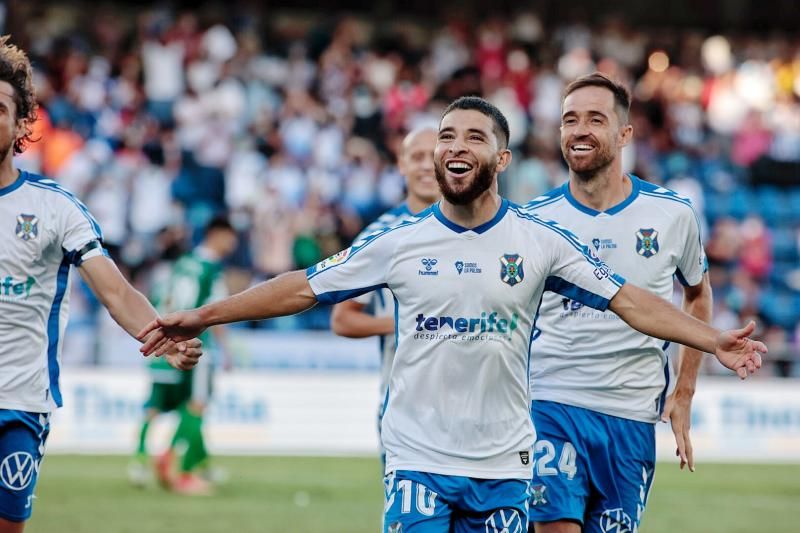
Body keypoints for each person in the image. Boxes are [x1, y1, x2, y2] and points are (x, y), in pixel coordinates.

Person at [138, 96, 765, 533]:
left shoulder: (539, 240)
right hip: (418, 460)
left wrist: (711, 340)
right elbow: (303, 288)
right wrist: (205, 315)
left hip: (503, 466)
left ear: (502, 159)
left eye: (474, 136)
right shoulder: (399, 241)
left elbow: (631, 300)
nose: (455, 146)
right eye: (446, 136)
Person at [0, 35, 202, 532]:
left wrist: (159, 335)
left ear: (24, 122)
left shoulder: (55, 208)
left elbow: (115, 292)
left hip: (19, 404)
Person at [524, 72, 714, 533]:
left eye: (595, 119)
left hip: (631, 416)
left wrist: (684, 391)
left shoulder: (673, 214)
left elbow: (698, 294)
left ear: (624, 133)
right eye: (570, 120)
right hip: (551, 402)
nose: (580, 130)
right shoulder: (533, 220)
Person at [330, 127, 439, 463]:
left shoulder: (479, 229)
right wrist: (406, 324)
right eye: (416, 157)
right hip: (405, 408)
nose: (426, 166)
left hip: (477, 408)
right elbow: (343, 318)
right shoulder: (381, 235)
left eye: (433, 157)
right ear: (401, 165)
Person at [131, 216, 238, 495]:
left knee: (167, 406)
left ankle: (186, 462)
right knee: (197, 405)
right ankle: (179, 467)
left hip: (171, 343)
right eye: (230, 236)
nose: (234, 243)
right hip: (198, 346)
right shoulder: (209, 269)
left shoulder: (182, 264)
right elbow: (218, 310)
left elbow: (162, 298)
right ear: (217, 235)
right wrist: (226, 350)